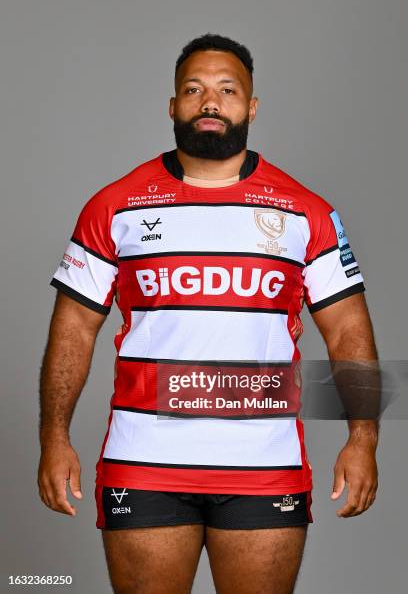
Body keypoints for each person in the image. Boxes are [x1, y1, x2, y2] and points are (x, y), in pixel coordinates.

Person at [38, 33, 379, 594]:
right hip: (142, 463)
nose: (210, 102)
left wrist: (362, 440)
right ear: (173, 106)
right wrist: (55, 438)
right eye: (193, 90)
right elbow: (74, 326)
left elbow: (348, 329)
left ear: (252, 106)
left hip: (264, 466)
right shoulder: (113, 205)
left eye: (227, 90)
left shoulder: (307, 212)